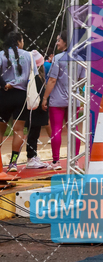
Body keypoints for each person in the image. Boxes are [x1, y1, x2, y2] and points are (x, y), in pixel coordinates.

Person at [0, 30, 37, 172]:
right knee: (19, 130)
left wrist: (5, 84)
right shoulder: (28, 55)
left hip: (3, 95)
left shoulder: (1, 55)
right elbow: (32, 75)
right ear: (18, 42)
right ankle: (13, 163)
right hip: (21, 96)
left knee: (1, 131)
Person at [42, 31, 80, 169]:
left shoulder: (58, 58)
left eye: (59, 40)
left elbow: (52, 80)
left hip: (57, 100)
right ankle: (75, 161)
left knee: (56, 129)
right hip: (73, 98)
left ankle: (56, 162)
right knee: (74, 129)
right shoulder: (80, 58)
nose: (57, 43)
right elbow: (81, 80)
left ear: (65, 42)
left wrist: (45, 98)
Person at [25, 51, 50, 169]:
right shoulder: (36, 78)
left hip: (34, 110)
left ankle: (33, 156)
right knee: (33, 133)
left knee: (34, 133)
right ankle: (31, 157)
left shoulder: (35, 77)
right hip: (35, 110)